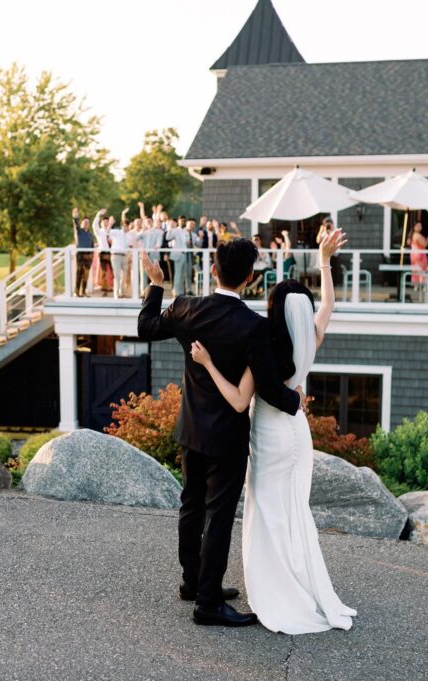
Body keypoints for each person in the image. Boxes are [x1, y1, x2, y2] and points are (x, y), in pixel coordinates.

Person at [187, 228, 357, 635]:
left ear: (273, 307)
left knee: (266, 513)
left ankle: (275, 588)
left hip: (269, 434)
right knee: (293, 511)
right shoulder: (311, 340)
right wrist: (324, 261)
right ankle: (300, 582)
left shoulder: (262, 342)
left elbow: (244, 398)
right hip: (297, 434)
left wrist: (209, 364)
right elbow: (329, 303)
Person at [137, 239, 303, 628]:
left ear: (214, 270)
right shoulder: (254, 327)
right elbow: (271, 389)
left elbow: (145, 326)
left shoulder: (185, 308)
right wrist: (296, 401)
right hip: (226, 439)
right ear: (249, 277)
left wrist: (156, 283)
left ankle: (192, 583)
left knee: (191, 507)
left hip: (191, 429)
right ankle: (208, 602)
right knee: (218, 517)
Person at [72, 208, 95, 297]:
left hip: (88, 256)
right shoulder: (79, 231)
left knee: (86, 274)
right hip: (80, 255)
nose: (86, 223)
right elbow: (76, 224)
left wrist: (92, 256)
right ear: (82, 223)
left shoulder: (90, 235)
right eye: (84, 222)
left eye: (87, 222)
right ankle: (76, 292)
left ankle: (84, 291)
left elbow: (92, 246)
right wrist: (75, 216)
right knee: (79, 273)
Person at [409, 222, 428, 290]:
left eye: (420, 225)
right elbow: (424, 244)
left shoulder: (411, 235)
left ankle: (416, 285)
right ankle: (422, 285)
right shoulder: (417, 235)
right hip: (419, 254)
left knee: (415, 269)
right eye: (418, 225)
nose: (420, 227)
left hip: (414, 254)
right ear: (414, 227)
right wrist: (427, 240)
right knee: (421, 269)